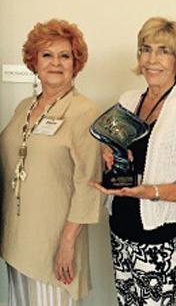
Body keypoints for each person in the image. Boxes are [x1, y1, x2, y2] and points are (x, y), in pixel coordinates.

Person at [91, 17, 176, 306]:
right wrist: (106, 155)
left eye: (164, 50)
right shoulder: (128, 99)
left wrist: (152, 192)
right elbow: (115, 152)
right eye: (146, 49)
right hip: (119, 224)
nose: (152, 59)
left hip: (156, 234)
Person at [0, 19, 103, 305]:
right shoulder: (25, 106)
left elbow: (88, 183)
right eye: (47, 55)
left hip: (54, 241)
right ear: (34, 61)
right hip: (17, 237)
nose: (55, 63)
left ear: (75, 63)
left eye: (64, 55)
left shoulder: (84, 111)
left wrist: (67, 244)